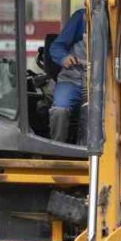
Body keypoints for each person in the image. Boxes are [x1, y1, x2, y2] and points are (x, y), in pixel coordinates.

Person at [48, 8, 87, 144]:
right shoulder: (82, 18)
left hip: (103, 84)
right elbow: (56, 47)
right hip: (72, 79)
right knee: (60, 110)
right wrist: (64, 57)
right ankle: (57, 151)